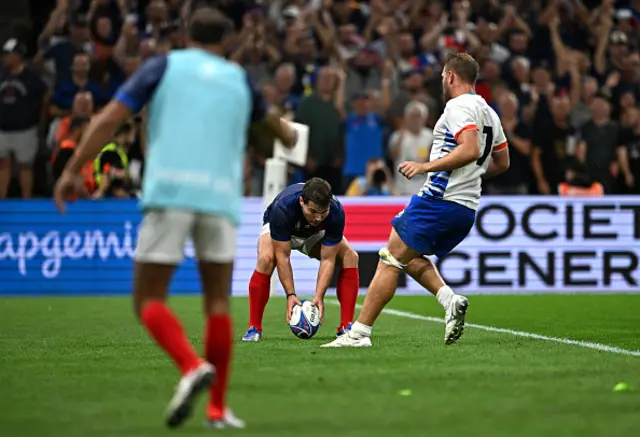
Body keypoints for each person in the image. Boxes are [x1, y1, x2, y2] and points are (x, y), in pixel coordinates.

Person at [53, 6, 297, 430]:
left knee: (147, 298)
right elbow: (278, 133)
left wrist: (74, 170)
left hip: (169, 192)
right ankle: (218, 410)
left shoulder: (162, 67)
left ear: (186, 35)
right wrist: (287, 131)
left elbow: (110, 117)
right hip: (219, 198)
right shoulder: (238, 79)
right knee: (218, 302)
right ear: (227, 42)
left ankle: (189, 365)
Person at [323, 53, 510, 348]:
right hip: (466, 207)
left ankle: (359, 333)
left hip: (439, 199)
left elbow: (470, 148)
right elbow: (502, 162)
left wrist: (424, 168)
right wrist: (470, 179)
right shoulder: (489, 111)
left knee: (389, 259)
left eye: (442, 77)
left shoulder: (457, 106)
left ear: (450, 76)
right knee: (406, 256)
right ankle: (449, 300)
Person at [242, 178, 359, 342]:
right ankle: (254, 328)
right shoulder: (283, 208)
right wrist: (291, 295)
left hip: (314, 234)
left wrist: (319, 296)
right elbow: (283, 256)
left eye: (322, 213)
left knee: (350, 257)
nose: (318, 218)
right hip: (282, 229)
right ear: (302, 201)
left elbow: (328, 259)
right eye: (313, 211)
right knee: (266, 259)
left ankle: (346, 327)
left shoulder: (336, 212)